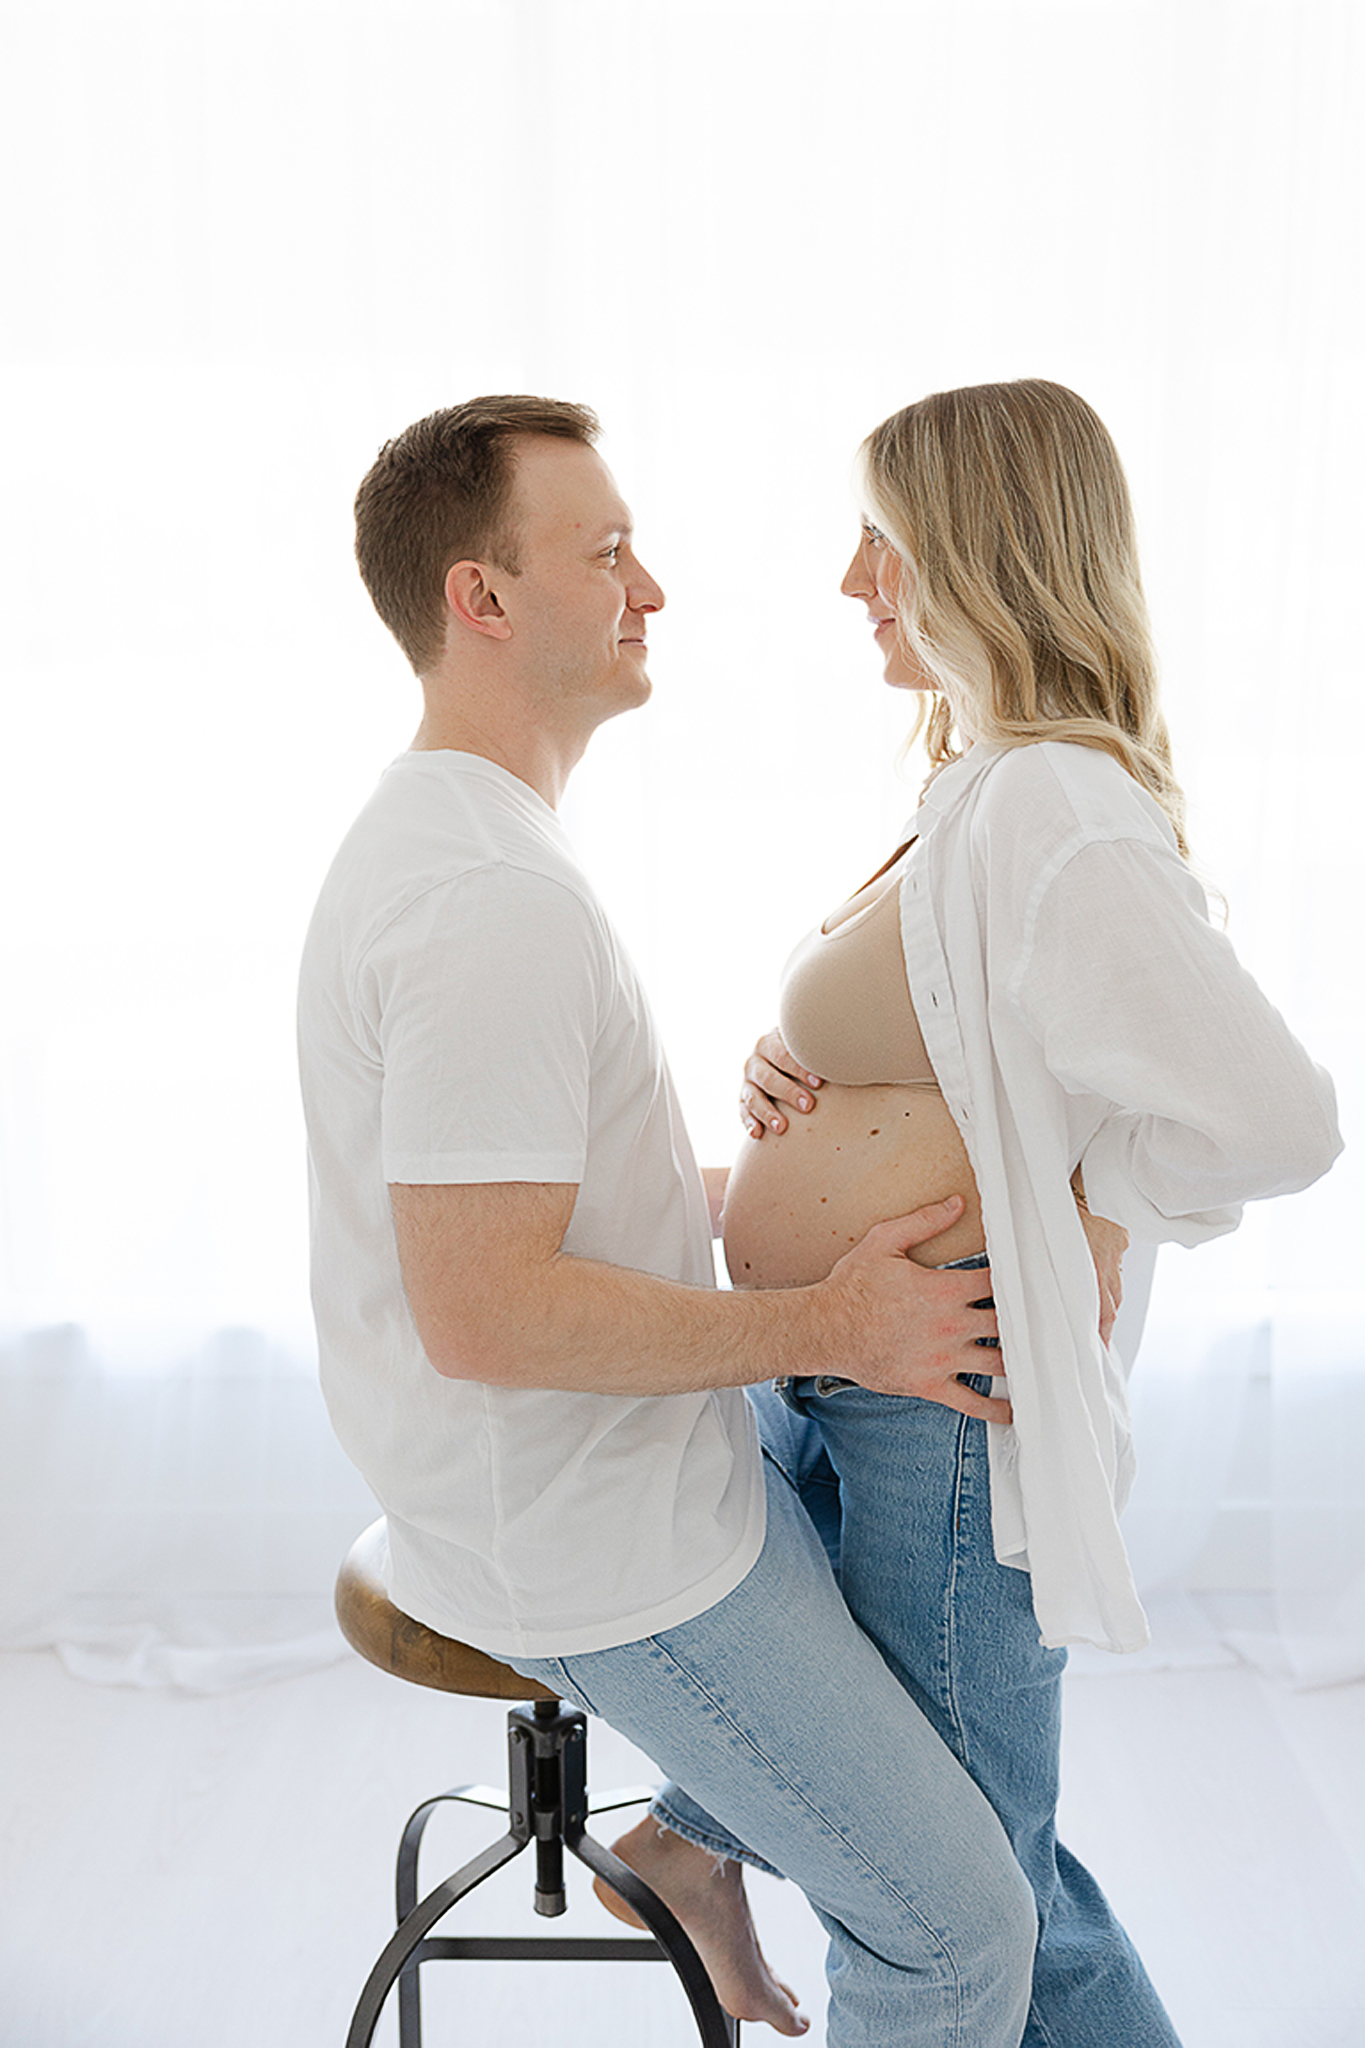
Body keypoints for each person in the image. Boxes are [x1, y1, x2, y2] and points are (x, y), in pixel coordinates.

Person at [599, 379, 1343, 2046]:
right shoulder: (981, 784)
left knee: (966, 1892)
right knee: (943, 1851)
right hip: (860, 1379)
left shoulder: (1057, 808)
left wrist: (1101, 1199)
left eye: (883, 540)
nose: (852, 581)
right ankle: (695, 1835)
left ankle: (691, 1841)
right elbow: (956, 1041)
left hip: (942, 1413)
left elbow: (1281, 1121)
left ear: (976, 551)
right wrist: (789, 1059)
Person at [297, 395, 1041, 2046]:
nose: (653, 589)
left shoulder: (476, 841)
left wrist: (774, 1186)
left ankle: (689, 1846)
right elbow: (485, 1308)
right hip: (597, 1546)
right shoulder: (485, 899)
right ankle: (709, 1844)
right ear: (480, 601)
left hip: (624, 1475)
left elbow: (531, 1213)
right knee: (962, 1931)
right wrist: (830, 1324)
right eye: (607, 551)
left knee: (953, 1666)